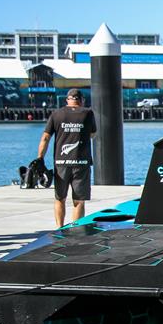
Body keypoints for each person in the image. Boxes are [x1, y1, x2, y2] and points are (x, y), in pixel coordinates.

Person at [37, 89, 96, 228]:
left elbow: (46, 137)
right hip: (80, 163)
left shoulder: (56, 114)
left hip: (61, 163)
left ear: (67, 100)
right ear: (81, 100)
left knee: (59, 199)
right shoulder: (88, 113)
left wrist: (40, 158)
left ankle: (59, 228)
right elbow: (93, 134)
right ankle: (75, 229)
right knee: (79, 201)